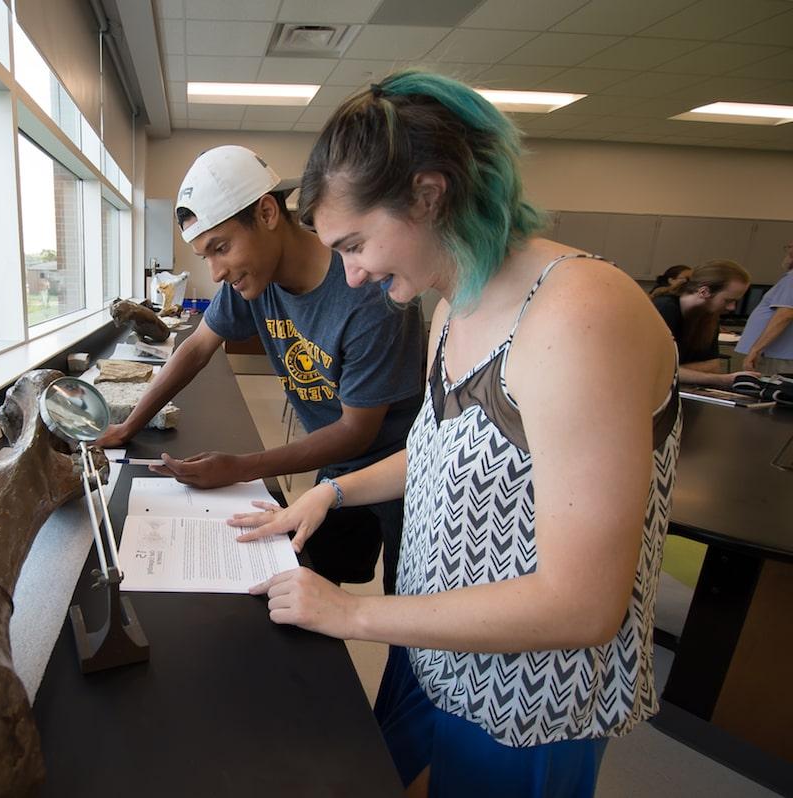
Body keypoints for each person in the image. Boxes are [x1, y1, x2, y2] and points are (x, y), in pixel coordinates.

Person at [229, 72, 680, 797]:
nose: (352, 275)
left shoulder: (580, 315)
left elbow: (585, 604)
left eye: (356, 243)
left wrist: (354, 612)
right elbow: (441, 452)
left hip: (524, 702)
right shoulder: (453, 308)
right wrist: (332, 494)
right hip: (431, 646)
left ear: (428, 195)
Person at [98, 144, 424, 589]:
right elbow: (197, 347)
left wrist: (242, 467)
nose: (215, 272)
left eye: (221, 248)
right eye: (205, 256)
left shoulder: (368, 297)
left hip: (401, 467)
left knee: (405, 591)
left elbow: (357, 432)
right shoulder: (255, 276)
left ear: (268, 213)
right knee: (319, 573)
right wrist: (129, 425)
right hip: (336, 460)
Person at [650, 260, 758, 387]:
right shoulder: (664, 309)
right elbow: (651, 369)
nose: (731, 308)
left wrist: (675, 369)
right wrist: (723, 379)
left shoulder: (708, 316)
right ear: (704, 292)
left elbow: (713, 366)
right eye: (728, 300)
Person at [736, 241, 793, 375]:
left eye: (791, 247)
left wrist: (755, 350)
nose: (788, 250)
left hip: (778, 357)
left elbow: (785, 314)